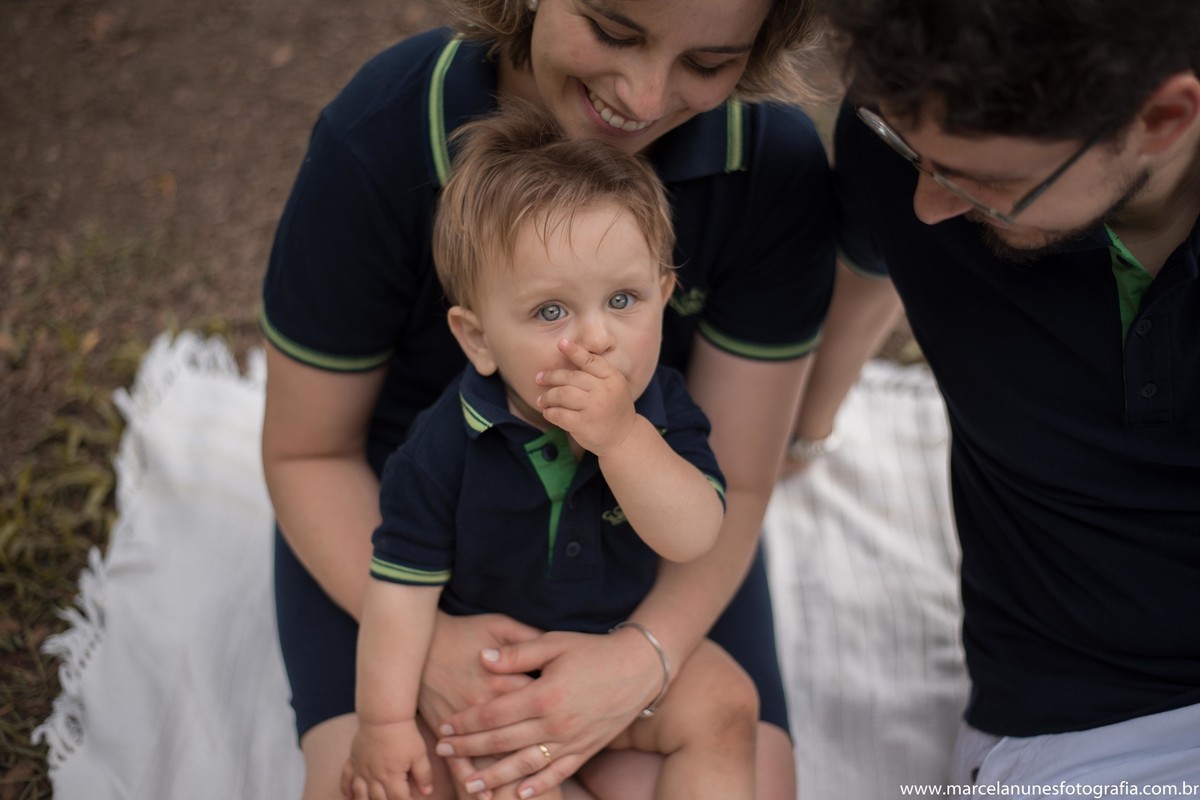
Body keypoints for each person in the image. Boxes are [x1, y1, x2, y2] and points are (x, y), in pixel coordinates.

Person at [259, 0, 836, 798]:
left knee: (735, 740)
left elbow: (725, 490)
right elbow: (307, 450)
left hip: (639, 566)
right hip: (389, 530)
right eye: (614, 31)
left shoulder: (771, 169)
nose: (642, 97)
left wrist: (644, 656)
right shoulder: (383, 134)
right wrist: (431, 655)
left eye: (706, 64)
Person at [808, 0, 1200, 789]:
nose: (929, 205)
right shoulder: (902, 141)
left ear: (1162, 119)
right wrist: (799, 433)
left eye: (985, 181)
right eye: (909, 148)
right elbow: (871, 266)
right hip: (1086, 719)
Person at [341, 105, 761, 800]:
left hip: (616, 642)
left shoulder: (660, 412)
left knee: (728, 703)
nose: (595, 338)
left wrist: (625, 440)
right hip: (498, 669)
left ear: (663, 298)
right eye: (550, 312)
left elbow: (694, 535)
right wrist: (383, 721)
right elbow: (399, 591)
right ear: (477, 338)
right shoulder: (445, 444)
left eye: (623, 299)